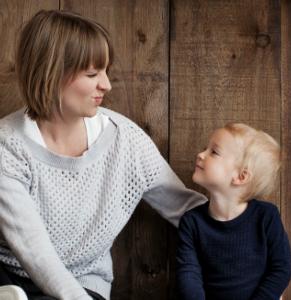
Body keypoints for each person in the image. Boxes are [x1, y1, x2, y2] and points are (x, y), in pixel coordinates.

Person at [0, 9, 207, 300]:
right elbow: (34, 251)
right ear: (52, 72)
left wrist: (255, 249)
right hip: (10, 279)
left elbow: (186, 209)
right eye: (92, 73)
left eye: (106, 71)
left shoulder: (125, 139)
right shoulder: (7, 146)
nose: (106, 85)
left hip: (84, 283)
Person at [176, 123, 291, 300]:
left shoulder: (266, 217)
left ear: (241, 176)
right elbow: (188, 274)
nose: (200, 155)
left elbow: (281, 268)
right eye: (205, 149)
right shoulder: (191, 222)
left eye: (213, 152)